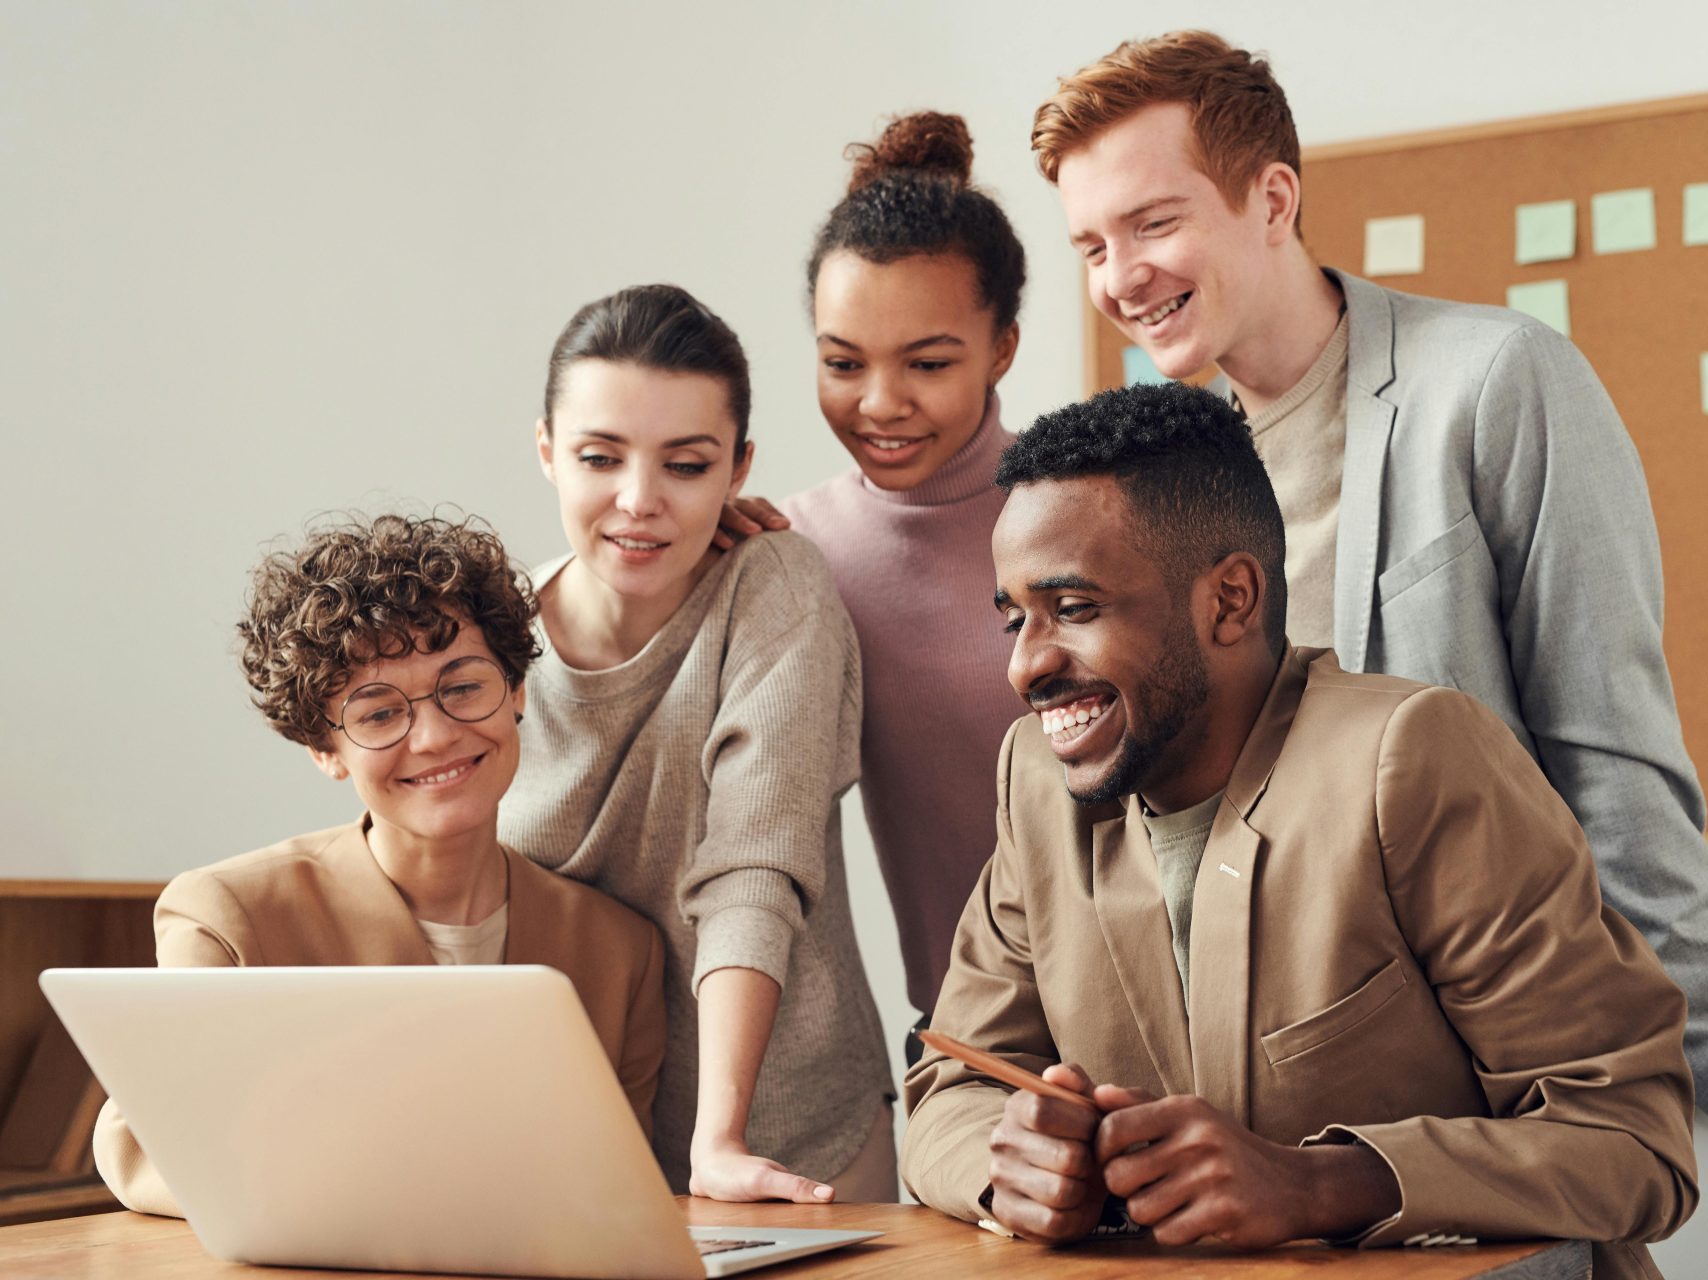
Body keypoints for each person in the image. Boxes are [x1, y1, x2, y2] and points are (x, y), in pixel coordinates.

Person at [1029, 30, 1708, 1096]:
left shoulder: (1495, 382)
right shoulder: (1168, 484)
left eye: (1154, 222)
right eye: (1090, 246)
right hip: (1279, 1095)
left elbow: (1615, 763)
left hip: (1517, 1070)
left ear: (1271, 199)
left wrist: (1676, 1083)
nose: (1120, 278)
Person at [903, 382, 1697, 1280]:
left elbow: (1636, 1144)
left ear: (1231, 600)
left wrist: (1319, 1184)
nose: (1025, 666)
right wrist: (1013, 1171)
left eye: (1074, 610)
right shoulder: (1037, 785)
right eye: (1014, 618)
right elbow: (951, 1087)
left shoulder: (1412, 761)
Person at [92, 513, 666, 1218]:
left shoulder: (619, 952)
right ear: (324, 749)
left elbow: (619, 1195)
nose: (434, 735)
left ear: (517, 691)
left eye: (463, 686)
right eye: (377, 713)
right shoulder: (228, 919)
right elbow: (148, 1152)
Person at [497, 285, 894, 1204]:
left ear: (738, 469)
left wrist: (718, 1142)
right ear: (549, 451)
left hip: (784, 1142)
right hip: (569, 1153)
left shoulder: (774, 589)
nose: (639, 502)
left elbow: (752, 865)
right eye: (601, 457)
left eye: (685, 465)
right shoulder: (492, 636)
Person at [775, 112, 1026, 1051]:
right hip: (968, 1043)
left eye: (927, 363)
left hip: (1175, 1023)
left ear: (1001, 347)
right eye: (843, 363)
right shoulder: (794, 549)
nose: (879, 403)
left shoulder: (1090, 513)